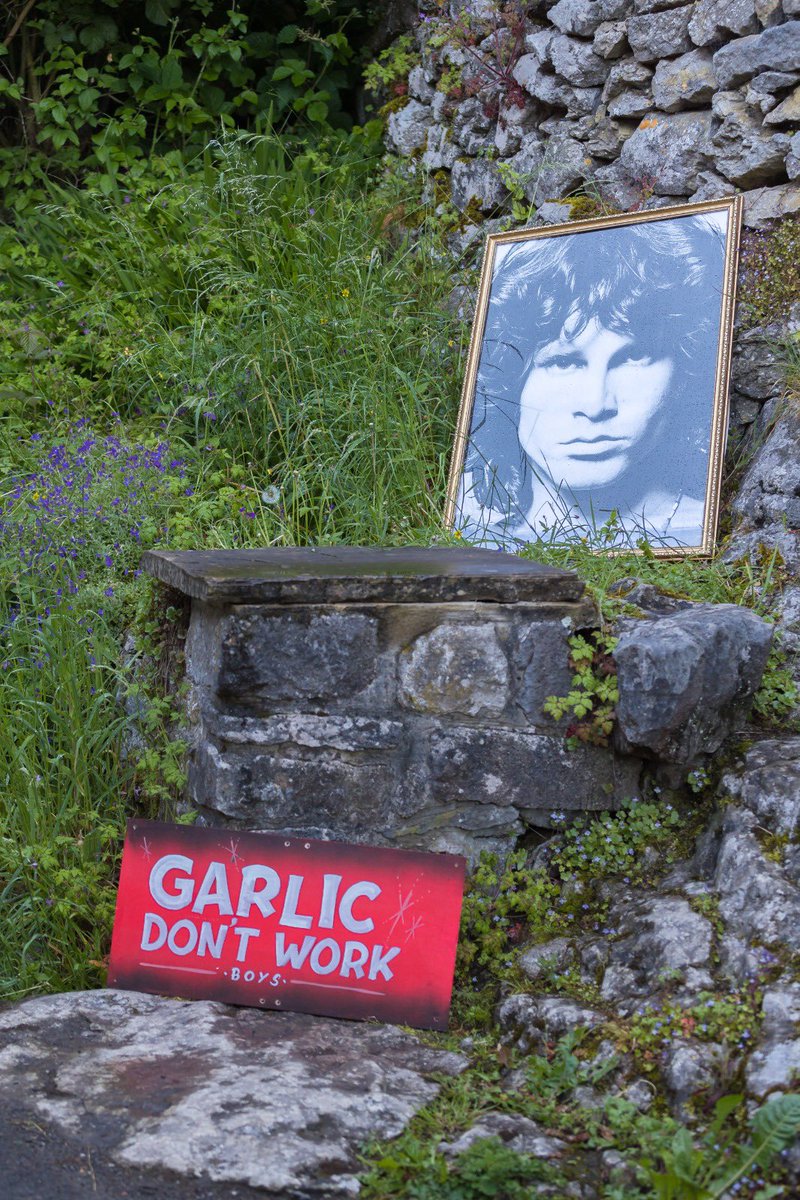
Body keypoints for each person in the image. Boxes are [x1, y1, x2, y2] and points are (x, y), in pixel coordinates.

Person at [454, 212, 728, 549]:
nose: (596, 405)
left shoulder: (704, 531)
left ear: (683, 378)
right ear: (510, 382)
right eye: (563, 362)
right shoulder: (470, 537)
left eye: (633, 357)